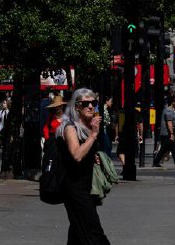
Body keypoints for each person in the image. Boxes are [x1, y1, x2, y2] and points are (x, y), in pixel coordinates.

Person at [55, 88, 111, 244]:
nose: (91, 107)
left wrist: (94, 158)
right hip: (74, 189)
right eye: (86, 103)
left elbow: (84, 154)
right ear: (77, 106)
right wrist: (93, 135)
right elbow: (77, 155)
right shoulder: (70, 128)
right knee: (95, 234)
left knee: (78, 235)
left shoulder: (86, 129)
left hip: (85, 188)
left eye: (94, 103)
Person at [152, 97, 175, 169]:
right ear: (172, 102)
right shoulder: (168, 111)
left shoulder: (171, 110)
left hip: (168, 133)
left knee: (172, 148)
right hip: (166, 134)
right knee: (165, 148)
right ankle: (156, 162)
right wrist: (171, 134)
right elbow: (169, 123)